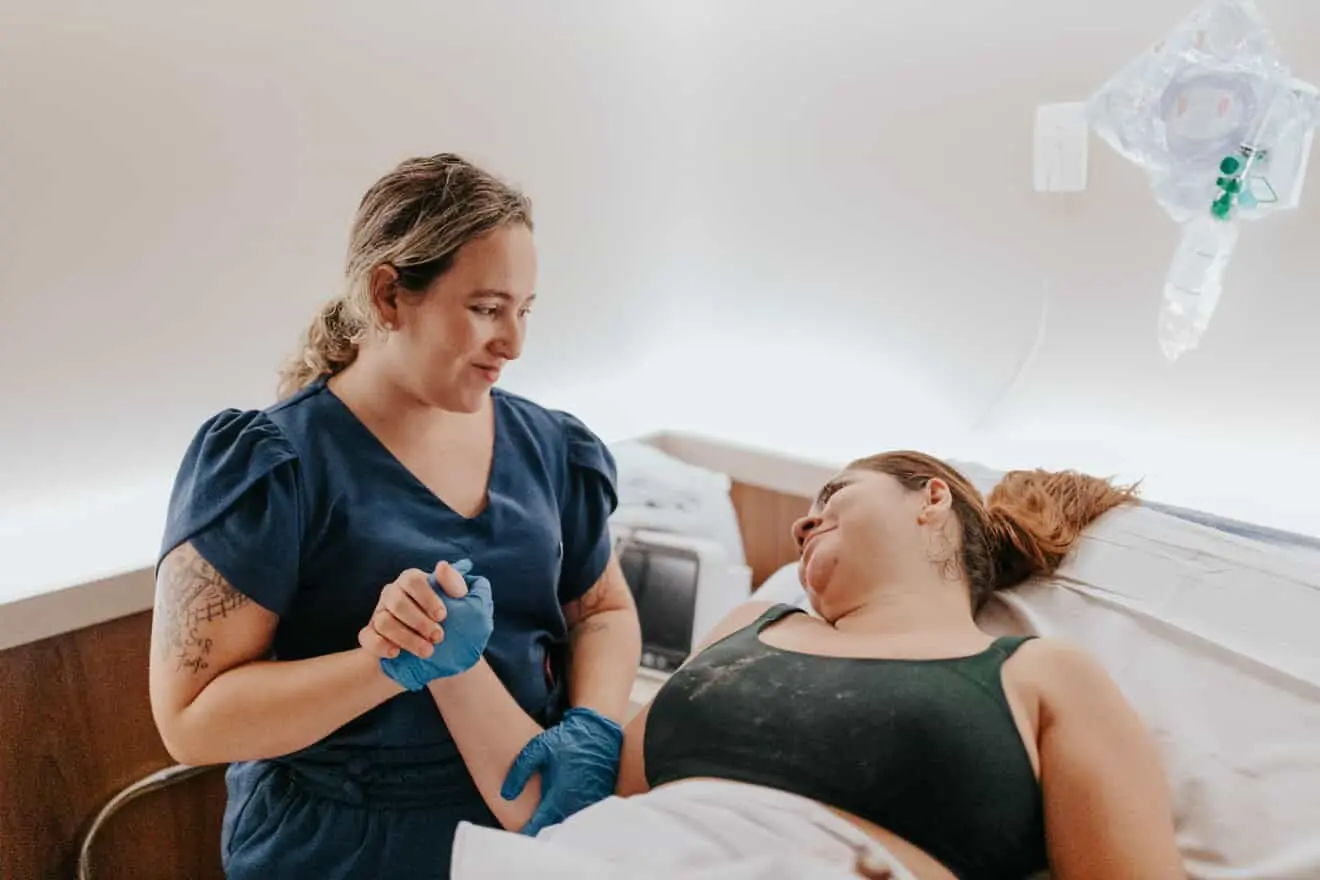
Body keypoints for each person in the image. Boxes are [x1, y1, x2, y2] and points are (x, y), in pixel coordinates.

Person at [148, 153, 642, 879]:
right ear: (388, 295)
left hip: (524, 833)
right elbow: (192, 720)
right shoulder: (273, 466)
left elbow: (602, 607)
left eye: (524, 310)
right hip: (342, 847)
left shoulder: (550, 448)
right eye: (486, 309)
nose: (514, 343)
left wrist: (592, 727)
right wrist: (387, 666)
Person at [365, 450, 1188, 879]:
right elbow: (560, 803)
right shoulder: (753, 623)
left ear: (930, 496)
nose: (803, 523)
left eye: (834, 494)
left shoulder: (1041, 674)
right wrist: (448, 656)